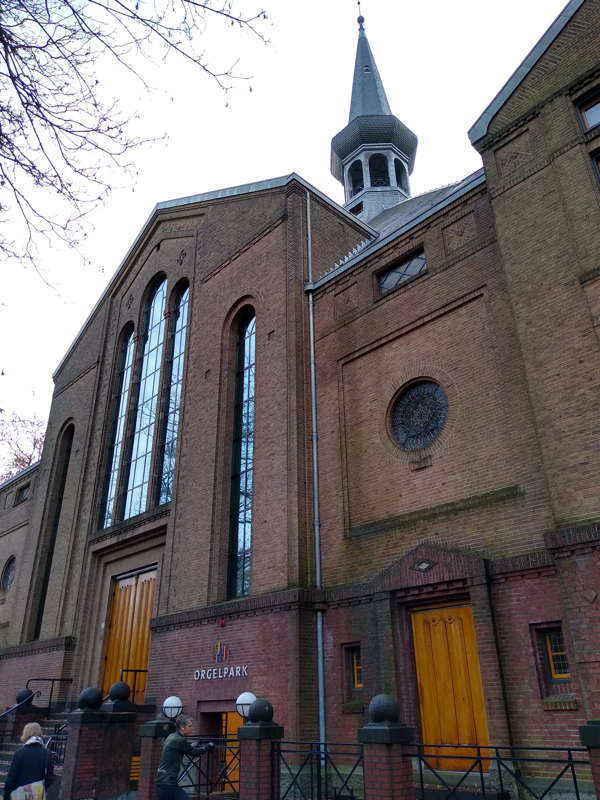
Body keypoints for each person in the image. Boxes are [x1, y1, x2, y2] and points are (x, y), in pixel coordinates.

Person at [155, 714, 214, 800]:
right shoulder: (179, 740)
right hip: (167, 783)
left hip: (164, 781)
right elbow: (195, 752)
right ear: (182, 727)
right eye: (189, 726)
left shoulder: (171, 736)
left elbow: (186, 748)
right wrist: (208, 746)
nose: (192, 728)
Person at [3, 722, 54, 800]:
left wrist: (7, 794)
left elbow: (12, 776)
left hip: (19, 794)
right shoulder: (47, 753)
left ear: (25, 733)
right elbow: (49, 777)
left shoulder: (19, 753)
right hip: (38, 794)